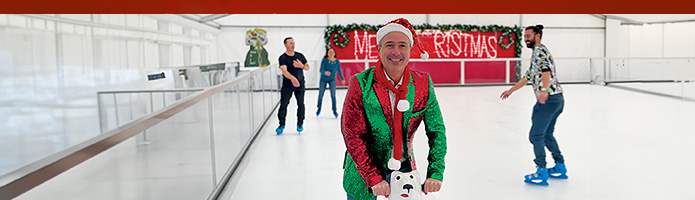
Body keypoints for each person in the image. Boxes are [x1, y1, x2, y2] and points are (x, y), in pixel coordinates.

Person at [341, 18, 446, 200]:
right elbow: (352, 135)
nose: (396, 52)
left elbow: (436, 130)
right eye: (389, 45)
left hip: (404, 170)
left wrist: (435, 171)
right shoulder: (360, 84)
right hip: (362, 170)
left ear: (410, 50)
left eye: (402, 46)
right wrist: (373, 178)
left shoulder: (423, 83)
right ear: (379, 49)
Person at [500, 24, 568, 186]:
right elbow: (527, 77)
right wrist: (511, 90)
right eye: (524, 36)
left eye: (528, 35)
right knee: (547, 135)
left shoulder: (539, 50)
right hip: (558, 99)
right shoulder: (538, 53)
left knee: (536, 135)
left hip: (548, 100)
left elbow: (546, 71)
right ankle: (559, 166)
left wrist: (544, 90)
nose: (525, 39)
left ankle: (541, 171)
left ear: (537, 35)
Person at [276, 37, 309, 134]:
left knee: (301, 104)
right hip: (287, 86)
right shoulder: (283, 58)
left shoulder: (300, 56)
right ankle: (281, 125)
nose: (293, 45)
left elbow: (307, 67)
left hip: (300, 85)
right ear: (285, 45)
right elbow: (284, 71)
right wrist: (293, 78)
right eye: (290, 43)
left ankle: (300, 124)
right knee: (284, 105)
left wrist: (301, 66)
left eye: (293, 43)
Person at [317, 48, 344, 118]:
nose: (331, 53)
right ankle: (319, 108)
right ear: (327, 53)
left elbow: (339, 71)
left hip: (332, 80)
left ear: (334, 53)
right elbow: (321, 70)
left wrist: (342, 79)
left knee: (333, 95)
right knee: (321, 94)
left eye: (332, 52)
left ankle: (334, 110)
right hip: (323, 79)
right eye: (330, 52)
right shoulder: (324, 60)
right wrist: (325, 72)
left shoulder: (337, 62)